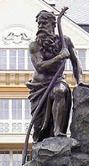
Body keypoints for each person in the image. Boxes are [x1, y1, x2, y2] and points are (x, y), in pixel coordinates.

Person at [27, 10, 83, 142]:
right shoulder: (34, 45)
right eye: (39, 24)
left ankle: (58, 131)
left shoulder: (65, 41)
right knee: (39, 128)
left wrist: (80, 82)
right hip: (39, 88)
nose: (40, 26)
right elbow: (39, 66)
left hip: (57, 81)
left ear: (53, 25)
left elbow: (75, 63)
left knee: (60, 91)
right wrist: (59, 57)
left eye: (44, 23)